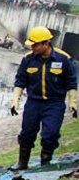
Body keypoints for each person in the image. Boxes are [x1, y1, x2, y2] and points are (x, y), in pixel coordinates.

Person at [10, 26, 77, 169]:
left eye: (35, 45)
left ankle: (45, 161)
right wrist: (15, 100)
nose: (32, 47)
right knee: (27, 132)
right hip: (33, 102)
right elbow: (20, 80)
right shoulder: (28, 59)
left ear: (45, 44)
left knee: (50, 134)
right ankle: (22, 162)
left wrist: (73, 102)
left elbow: (71, 83)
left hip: (55, 103)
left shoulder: (64, 59)